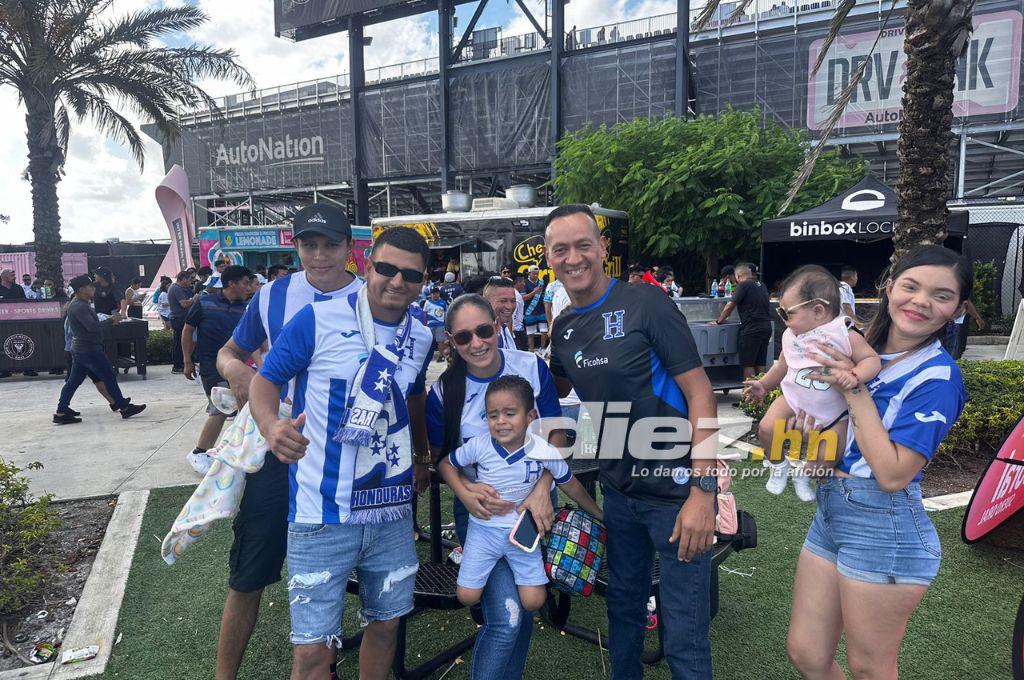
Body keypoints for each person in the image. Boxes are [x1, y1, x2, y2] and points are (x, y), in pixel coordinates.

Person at [248, 226, 433, 680]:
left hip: (389, 513)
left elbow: (411, 400)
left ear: (423, 281)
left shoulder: (422, 335)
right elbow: (265, 381)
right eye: (386, 268)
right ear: (367, 266)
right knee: (312, 654)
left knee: (386, 626)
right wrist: (271, 425)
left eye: (410, 275)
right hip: (320, 512)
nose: (396, 282)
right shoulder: (318, 319)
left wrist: (423, 457)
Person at [545, 204, 722, 680]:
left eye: (584, 244)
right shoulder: (563, 328)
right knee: (623, 612)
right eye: (560, 249)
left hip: (675, 495)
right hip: (619, 496)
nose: (573, 258)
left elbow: (700, 392)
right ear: (548, 257)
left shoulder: (646, 303)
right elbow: (557, 392)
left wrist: (704, 493)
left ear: (603, 249)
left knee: (683, 634)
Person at [785, 246, 973, 679]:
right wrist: (799, 438)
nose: (921, 301)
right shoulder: (852, 345)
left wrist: (853, 389)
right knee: (807, 654)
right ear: (888, 288)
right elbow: (800, 439)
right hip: (832, 513)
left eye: (941, 296)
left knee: (869, 668)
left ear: (957, 310)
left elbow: (891, 473)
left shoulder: (937, 377)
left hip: (886, 526)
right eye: (910, 286)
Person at [213, 203, 363, 680]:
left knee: (337, 569)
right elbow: (229, 352)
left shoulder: (373, 299)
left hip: (348, 457)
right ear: (296, 246)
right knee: (250, 571)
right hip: (281, 452)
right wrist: (237, 370)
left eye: (330, 245)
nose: (319, 256)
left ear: (348, 248)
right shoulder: (273, 296)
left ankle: (325, 664)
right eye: (308, 245)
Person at [424, 294, 563, 680]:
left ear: (498, 327)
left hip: (531, 515)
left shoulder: (531, 368)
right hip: (479, 516)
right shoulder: (445, 391)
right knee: (506, 617)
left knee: (523, 606)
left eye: (484, 331)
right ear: (451, 340)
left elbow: (559, 438)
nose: (477, 343)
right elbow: (443, 459)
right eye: (464, 337)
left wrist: (543, 487)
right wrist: (465, 493)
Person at [438, 375, 603, 612]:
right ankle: (488, 572)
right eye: (492, 415)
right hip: (483, 531)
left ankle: (509, 573)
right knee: (466, 596)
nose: (500, 422)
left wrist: (598, 513)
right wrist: (465, 492)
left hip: (524, 534)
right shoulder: (479, 445)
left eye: (509, 413)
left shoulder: (544, 450)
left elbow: (570, 483)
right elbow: (446, 464)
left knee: (533, 601)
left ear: (530, 417)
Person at [743, 266, 881, 502]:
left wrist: (856, 375)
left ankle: (804, 474)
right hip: (793, 399)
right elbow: (782, 366)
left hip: (835, 411)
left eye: (787, 313)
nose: (782, 318)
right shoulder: (791, 336)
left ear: (818, 311)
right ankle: (778, 464)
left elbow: (872, 360)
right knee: (766, 429)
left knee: (828, 455)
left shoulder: (843, 334)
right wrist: (763, 385)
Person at [181, 265, 254, 475]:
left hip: (238, 367)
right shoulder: (204, 303)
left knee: (241, 407)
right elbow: (188, 330)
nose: (248, 287)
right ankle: (199, 452)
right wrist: (187, 360)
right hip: (211, 365)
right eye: (245, 283)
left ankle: (235, 451)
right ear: (231, 283)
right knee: (221, 406)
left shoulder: (247, 308)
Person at [54, 275, 146, 424]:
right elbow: (91, 327)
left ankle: (61, 410)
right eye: (90, 286)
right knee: (109, 376)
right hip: (89, 350)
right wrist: (111, 320)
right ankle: (124, 407)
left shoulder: (80, 304)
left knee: (74, 381)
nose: (93, 288)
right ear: (82, 289)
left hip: (82, 349)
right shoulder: (79, 306)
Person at [711, 263, 773, 379]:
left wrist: (719, 321)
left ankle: (749, 394)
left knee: (748, 363)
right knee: (760, 362)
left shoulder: (744, 285)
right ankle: (763, 394)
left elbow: (729, 306)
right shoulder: (762, 285)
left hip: (751, 328)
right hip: (766, 326)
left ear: (738, 276)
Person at [168, 271, 196, 374]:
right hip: (178, 319)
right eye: (189, 279)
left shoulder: (181, 288)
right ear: (183, 279)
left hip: (181, 318)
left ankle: (184, 363)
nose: (190, 282)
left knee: (184, 342)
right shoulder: (176, 288)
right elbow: (184, 304)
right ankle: (178, 365)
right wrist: (194, 300)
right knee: (180, 343)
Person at [482, 276, 518, 349]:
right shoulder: (484, 338)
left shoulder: (503, 329)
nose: (510, 307)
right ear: (486, 302)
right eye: (503, 301)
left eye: (513, 301)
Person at [522, 265, 546, 351]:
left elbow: (543, 295)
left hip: (541, 310)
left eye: (537, 274)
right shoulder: (524, 283)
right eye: (534, 274)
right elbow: (523, 298)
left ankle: (542, 349)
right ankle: (531, 351)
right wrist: (534, 292)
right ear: (529, 273)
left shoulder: (541, 282)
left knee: (544, 332)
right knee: (530, 334)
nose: (536, 275)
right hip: (529, 311)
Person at [423, 286, 449, 362]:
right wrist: (425, 324)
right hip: (430, 325)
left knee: (440, 341)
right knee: (429, 341)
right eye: (433, 293)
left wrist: (445, 324)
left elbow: (445, 313)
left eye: (437, 293)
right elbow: (425, 314)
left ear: (439, 293)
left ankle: (441, 355)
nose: (435, 295)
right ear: (431, 294)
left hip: (440, 325)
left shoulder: (443, 302)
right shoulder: (427, 302)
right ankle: (428, 356)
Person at [511, 273, 527, 350]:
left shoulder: (516, 294)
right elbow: (512, 315)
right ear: (518, 283)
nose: (524, 284)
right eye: (522, 282)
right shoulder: (516, 296)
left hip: (516, 329)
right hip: (517, 330)